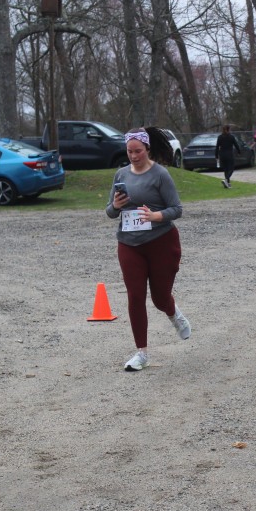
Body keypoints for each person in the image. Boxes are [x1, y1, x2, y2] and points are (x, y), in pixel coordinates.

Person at [106, 127, 191, 372]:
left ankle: (173, 313)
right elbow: (110, 212)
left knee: (160, 298)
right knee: (135, 296)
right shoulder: (121, 174)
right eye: (129, 151)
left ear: (147, 149)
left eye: (138, 151)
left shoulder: (160, 174)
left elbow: (177, 209)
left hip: (161, 242)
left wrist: (156, 216)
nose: (134, 156)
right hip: (129, 244)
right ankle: (141, 353)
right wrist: (115, 205)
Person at [215, 124, 241, 189]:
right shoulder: (231, 137)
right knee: (231, 168)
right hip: (229, 154)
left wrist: (216, 155)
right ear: (228, 130)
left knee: (226, 169)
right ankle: (226, 179)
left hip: (222, 155)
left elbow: (217, 147)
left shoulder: (220, 137)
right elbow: (236, 145)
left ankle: (228, 184)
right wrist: (239, 152)